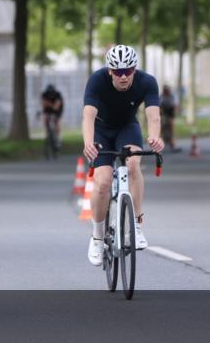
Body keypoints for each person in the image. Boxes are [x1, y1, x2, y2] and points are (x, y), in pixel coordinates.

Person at [81, 45, 164, 267]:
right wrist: (88, 142)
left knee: (134, 163)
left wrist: (155, 138)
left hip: (127, 127)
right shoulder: (97, 80)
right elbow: (88, 116)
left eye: (128, 70)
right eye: (118, 72)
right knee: (103, 180)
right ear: (110, 71)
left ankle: (136, 226)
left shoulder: (147, 82)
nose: (124, 76)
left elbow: (153, 117)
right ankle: (97, 238)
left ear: (135, 69)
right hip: (101, 130)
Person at [40, 84, 64, 154]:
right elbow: (43, 105)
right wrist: (49, 105)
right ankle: (46, 133)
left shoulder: (57, 95)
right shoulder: (44, 94)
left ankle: (58, 138)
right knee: (45, 118)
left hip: (57, 111)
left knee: (57, 122)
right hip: (47, 111)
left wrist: (49, 104)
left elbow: (56, 107)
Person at [159, 84, 180, 152]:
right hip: (163, 114)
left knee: (172, 129)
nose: (166, 92)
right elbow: (159, 106)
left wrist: (174, 113)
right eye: (165, 90)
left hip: (170, 114)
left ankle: (172, 144)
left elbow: (174, 106)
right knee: (162, 128)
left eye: (167, 90)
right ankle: (160, 143)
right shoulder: (161, 97)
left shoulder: (172, 97)